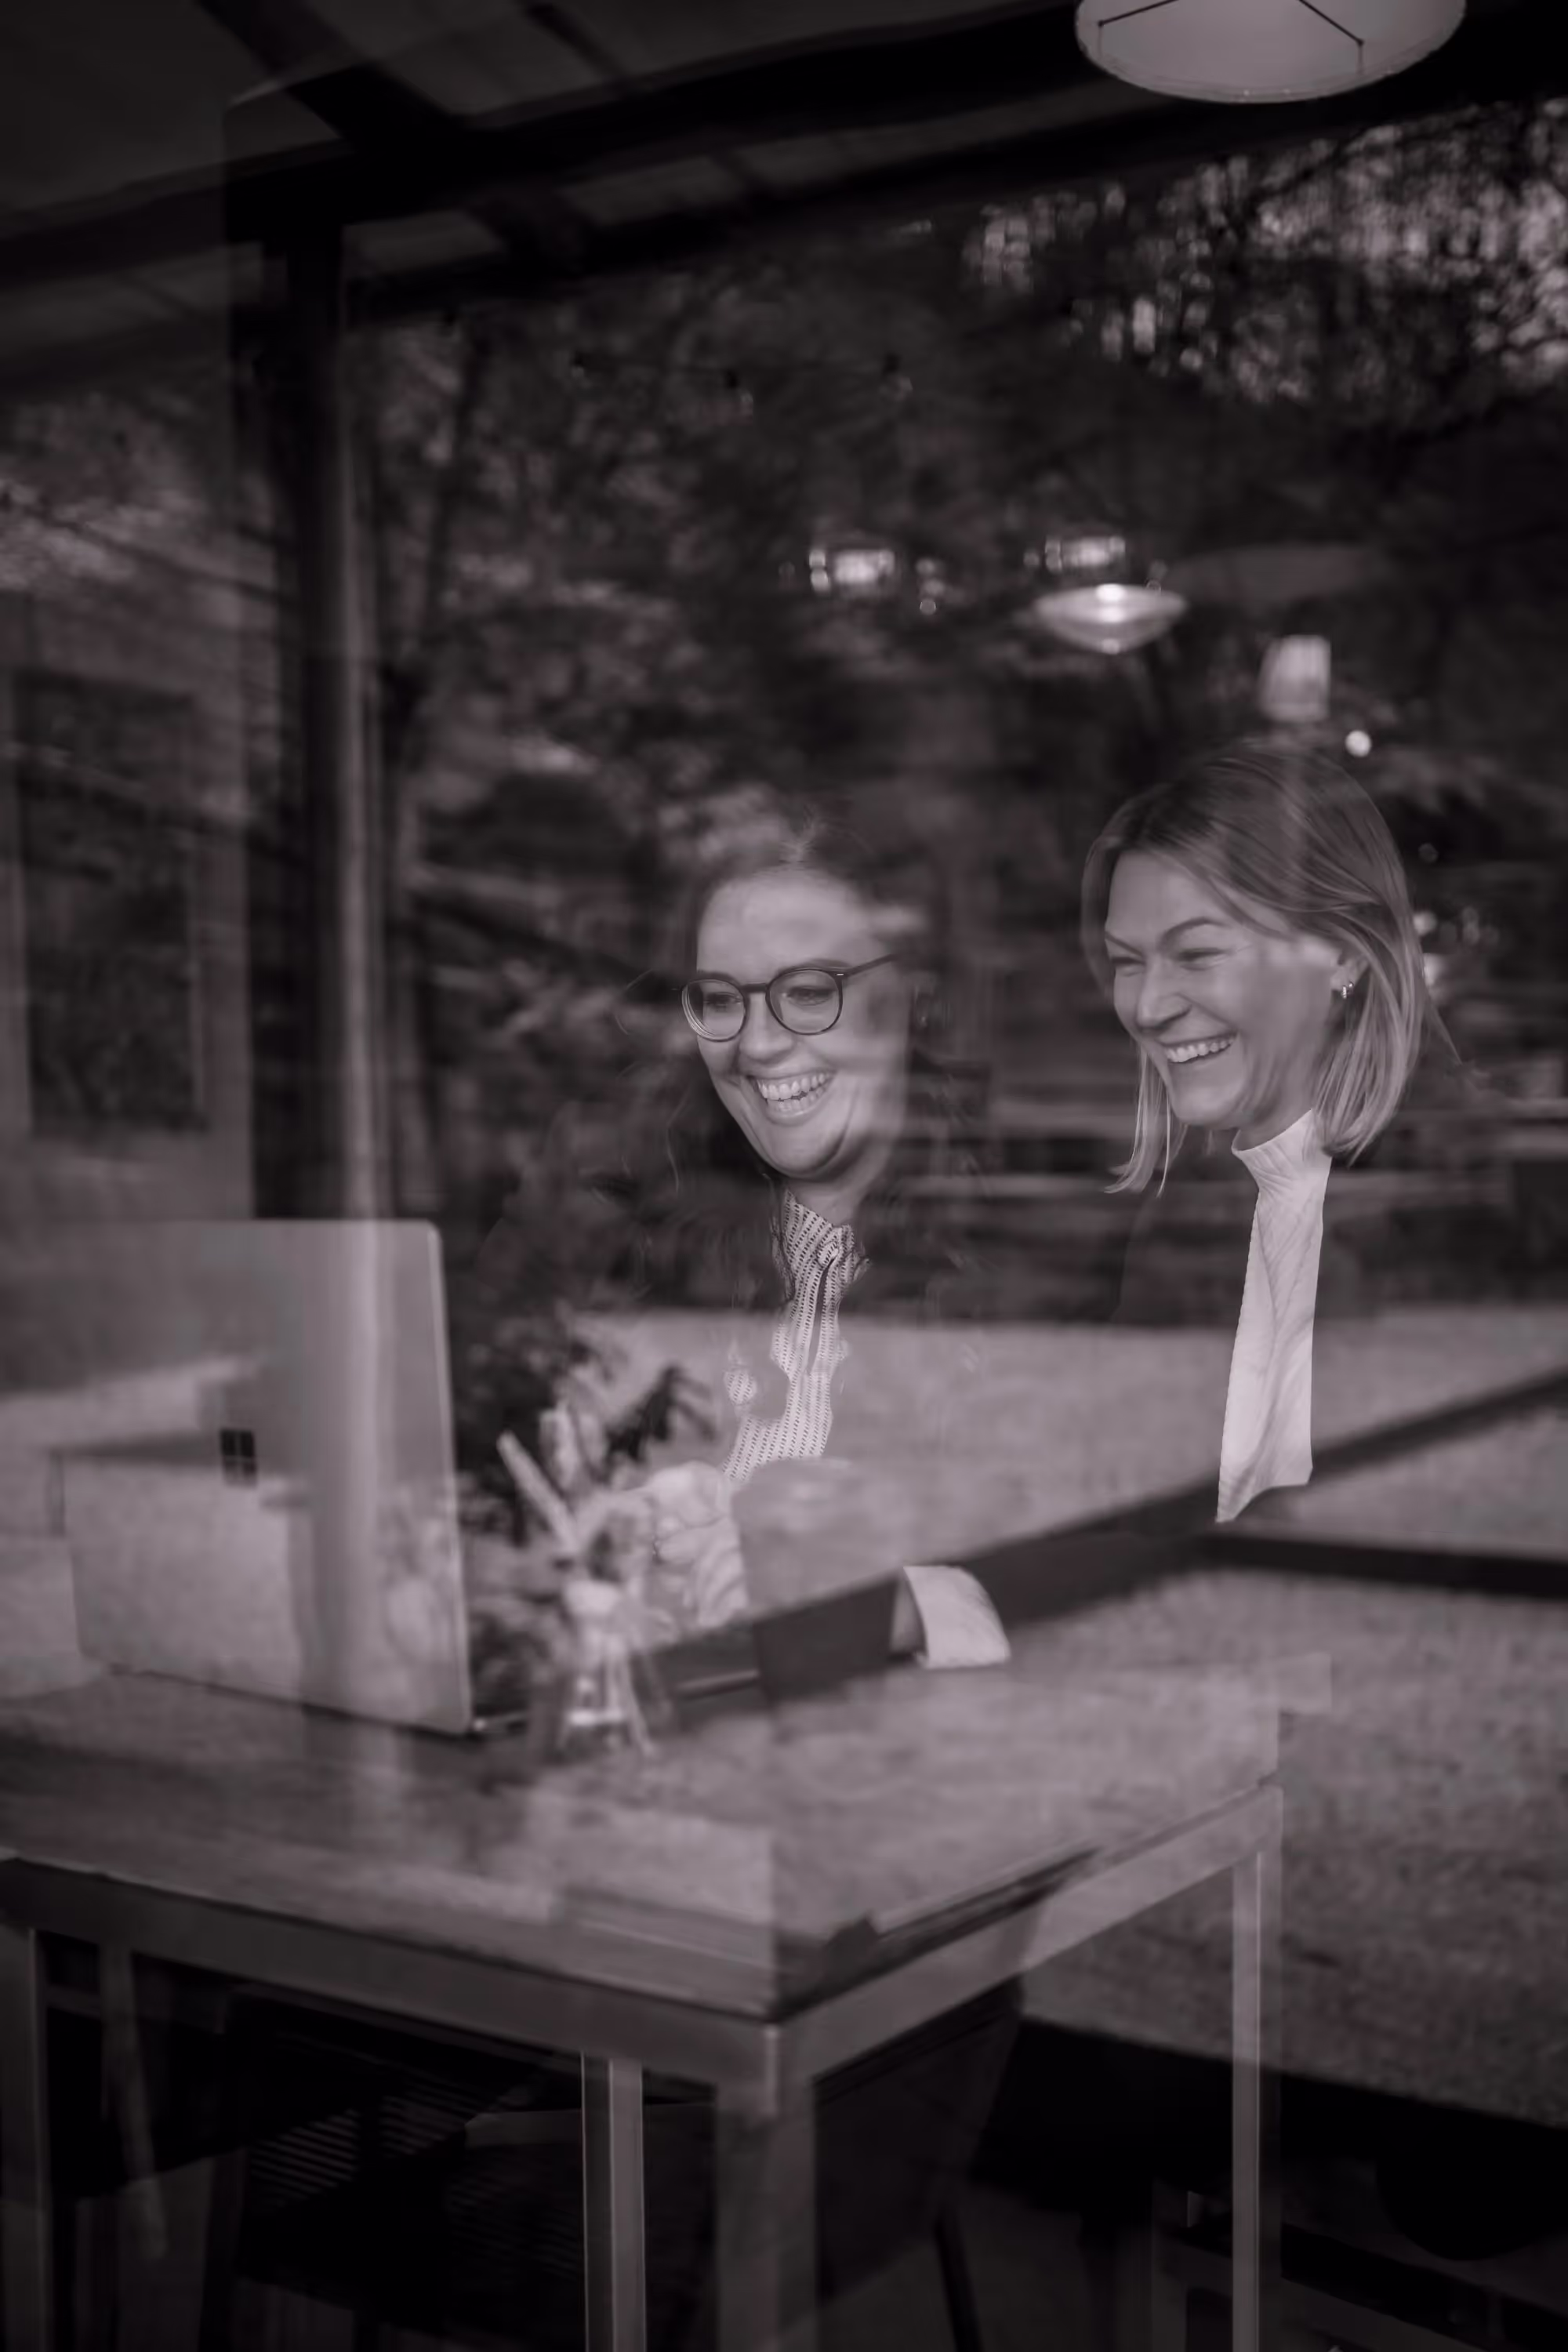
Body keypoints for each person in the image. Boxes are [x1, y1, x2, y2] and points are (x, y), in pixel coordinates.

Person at [1080, 734, 1507, 1524]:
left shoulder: (1455, 1224)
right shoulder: (1179, 1220)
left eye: (1196, 953)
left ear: (1342, 954)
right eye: (1126, 962)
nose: (1145, 1006)